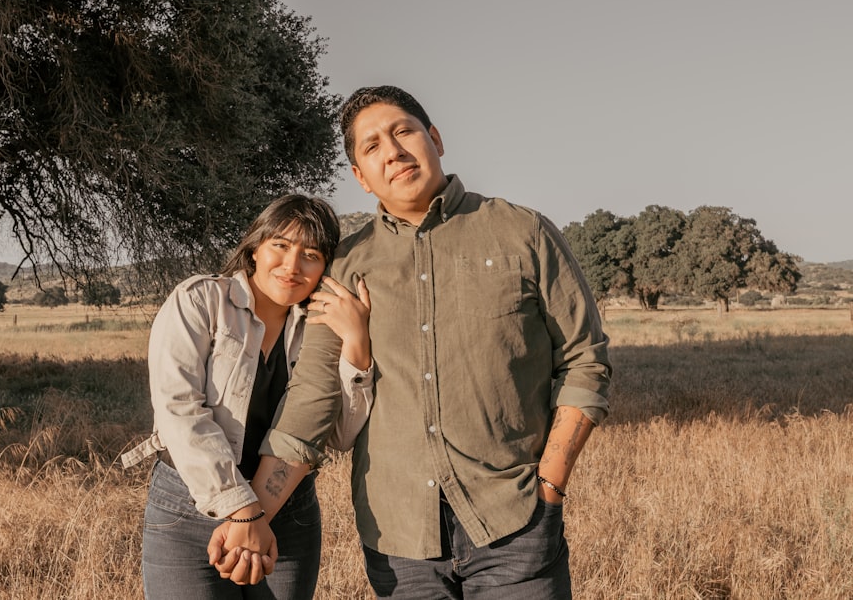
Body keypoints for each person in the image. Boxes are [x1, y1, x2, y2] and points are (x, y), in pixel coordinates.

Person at [215, 86, 612, 598]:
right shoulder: (345, 267)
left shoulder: (523, 233)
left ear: (436, 139)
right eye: (372, 146)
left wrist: (551, 484)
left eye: (403, 131)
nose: (394, 151)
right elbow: (312, 400)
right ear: (360, 176)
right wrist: (251, 516)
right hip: (398, 538)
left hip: (513, 522)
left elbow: (586, 361)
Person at [121, 194, 373, 599]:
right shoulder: (200, 301)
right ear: (255, 247)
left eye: (311, 254)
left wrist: (357, 343)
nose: (292, 266)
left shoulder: (322, 327)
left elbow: (340, 436)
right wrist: (244, 511)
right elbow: (179, 411)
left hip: (287, 510)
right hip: (191, 506)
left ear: (326, 267)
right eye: (280, 246)